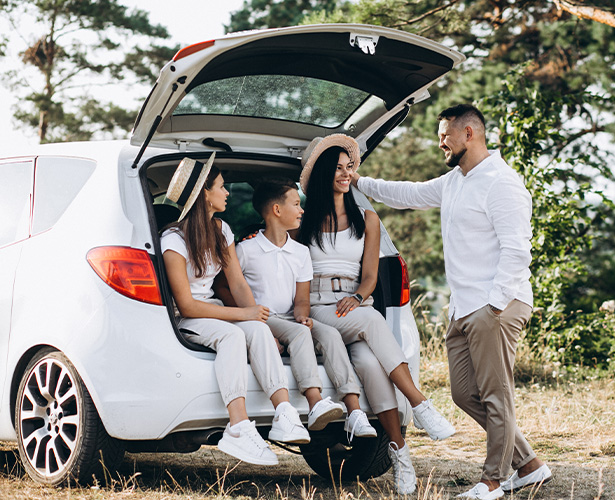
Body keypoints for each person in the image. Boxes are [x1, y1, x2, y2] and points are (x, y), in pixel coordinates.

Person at [352, 104, 552, 500]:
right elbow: (408, 194)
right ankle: (529, 465)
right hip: (464, 308)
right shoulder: (456, 181)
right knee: (464, 393)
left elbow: (518, 252)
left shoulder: (502, 183)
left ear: (469, 134)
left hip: (496, 306)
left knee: (497, 394)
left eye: (445, 134)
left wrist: (493, 307)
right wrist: (360, 182)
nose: (440, 142)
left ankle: (492, 480)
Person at [297, 134, 455, 495]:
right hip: (320, 308)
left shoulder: (366, 218)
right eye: (338, 168)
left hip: (353, 302)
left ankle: (400, 455)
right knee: (372, 321)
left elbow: (369, 277)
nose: (346, 174)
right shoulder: (303, 220)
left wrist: (358, 295)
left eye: (349, 167)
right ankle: (420, 403)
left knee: (370, 364)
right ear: (323, 174)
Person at [160, 153, 310, 467]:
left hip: (212, 310)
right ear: (204, 194)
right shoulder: (172, 240)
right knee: (232, 336)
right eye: (221, 187)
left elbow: (238, 285)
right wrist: (243, 314)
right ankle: (239, 427)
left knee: (256, 329)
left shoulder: (222, 230)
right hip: (188, 318)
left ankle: (284, 412)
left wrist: (259, 321)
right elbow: (186, 305)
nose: (227, 192)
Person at [221, 179, 377, 439]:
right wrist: (249, 316)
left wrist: (302, 316)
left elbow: (302, 299)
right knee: (299, 334)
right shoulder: (246, 249)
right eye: (296, 204)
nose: (302, 210)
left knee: (329, 335)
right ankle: (314, 402)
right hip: (262, 317)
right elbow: (223, 286)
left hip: (290, 318)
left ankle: (354, 411)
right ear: (277, 211)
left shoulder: (301, 252)